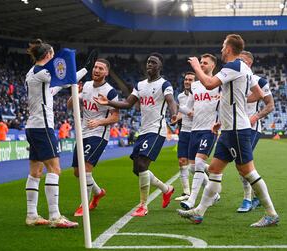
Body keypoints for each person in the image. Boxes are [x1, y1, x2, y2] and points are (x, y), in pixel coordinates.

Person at [178, 34, 279, 227]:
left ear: (230, 48)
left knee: (248, 171)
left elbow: (208, 84)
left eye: (223, 45)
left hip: (236, 129)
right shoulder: (245, 69)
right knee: (214, 170)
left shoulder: (232, 67)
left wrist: (196, 67)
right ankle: (199, 212)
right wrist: (228, 115)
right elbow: (257, 94)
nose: (222, 48)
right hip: (228, 128)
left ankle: (271, 213)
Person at [95, 53, 178, 217]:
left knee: (142, 165)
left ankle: (142, 206)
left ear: (159, 67)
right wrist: (109, 102)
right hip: (144, 130)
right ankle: (166, 189)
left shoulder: (164, 84)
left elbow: (170, 100)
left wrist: (174, 114)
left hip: (157, 130)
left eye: (153, 63)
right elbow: (127, 103)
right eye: (148, 62)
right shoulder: (140, 85)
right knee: (137, 169)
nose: (149, 64)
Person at [24, 39, 78, 228]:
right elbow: (66, 78)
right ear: (47, 56)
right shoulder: (43, 72)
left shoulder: (33, 73)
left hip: (32, 126)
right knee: (54, 169)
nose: (54, 58)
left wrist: (81, 73)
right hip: (42, 127)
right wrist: (82, 69)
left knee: (35, 171)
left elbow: (54, 88)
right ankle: (55, 217)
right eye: (53, 55)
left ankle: (32, 215)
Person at [67, 58, 119, 217]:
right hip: (82, 132)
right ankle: (97, 192)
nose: (96, 70)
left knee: (86, 170)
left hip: (98, 133)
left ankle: (84, 204)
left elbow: (115, 117)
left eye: (101, 68)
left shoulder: (110, 92)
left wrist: (99, 122)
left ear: (106, 72)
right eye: (95, 67)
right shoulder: (87, 85)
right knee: (77, 172)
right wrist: (74, 94)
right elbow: (70, 106)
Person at [177, 54, 222, 210]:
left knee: (199, 164)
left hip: (209, 130)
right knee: (192, 167)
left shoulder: (219, 83)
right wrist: (183, 110)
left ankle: (192, 200)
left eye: (205, 63)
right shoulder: (195, 86)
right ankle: (213, 193)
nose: (202, 65)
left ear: (213, 66)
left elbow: (225, 105)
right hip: (194, 130)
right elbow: (187, 107)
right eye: (200, 62)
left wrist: (220, 121)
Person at [236, 50, 275, 213]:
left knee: (242, 164)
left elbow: (270, 105)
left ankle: (247, 199)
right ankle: (258, 194)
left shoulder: (259, 81)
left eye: (242, 60)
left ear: (249, 63)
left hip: (251, 128)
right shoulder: (233, 78)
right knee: (240, 165)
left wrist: (255, 117)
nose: (238, 63)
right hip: (234, 126)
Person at [174, 72, 194, 201]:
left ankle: (213, 179)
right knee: (182, 162)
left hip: (197, 131)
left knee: (195, 165)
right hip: (184, 131)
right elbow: (184, 113)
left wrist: (180, 109)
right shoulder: (180, 96)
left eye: (190, 80)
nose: (187, 82)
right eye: (186, 79)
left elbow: (192, 113)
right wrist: (176, 118)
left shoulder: (199, 95)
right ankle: (186, 192)